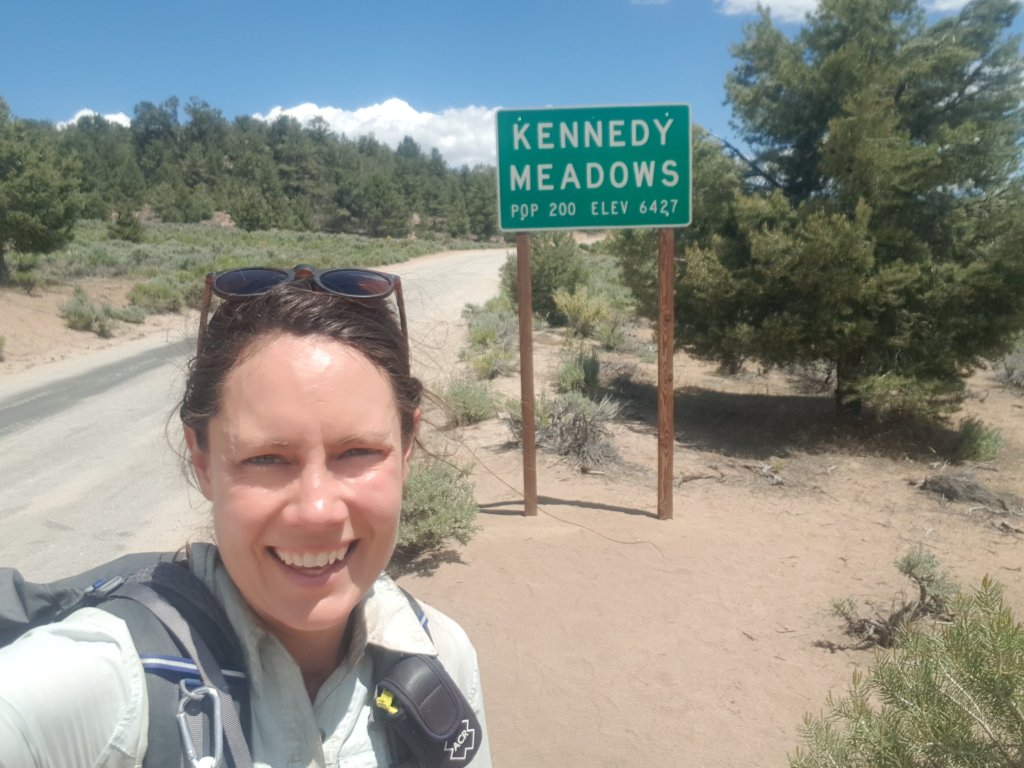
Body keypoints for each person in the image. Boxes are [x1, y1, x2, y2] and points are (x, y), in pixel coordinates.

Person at [0, 265, 491, 767]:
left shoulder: (442, 656)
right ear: (203, 461)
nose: (317, 510)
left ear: (406, 448)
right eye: (267, 458)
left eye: (358, 452)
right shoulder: (109, 677)